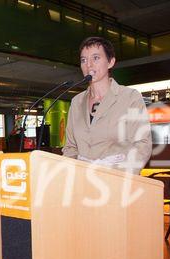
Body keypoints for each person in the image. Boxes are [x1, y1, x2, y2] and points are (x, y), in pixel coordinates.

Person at [62, 36, 152, 174]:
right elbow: (70, 147)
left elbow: (142, 145)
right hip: (82, 183)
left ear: (110, 62)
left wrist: (119, 175)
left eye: (96, 58)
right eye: (83, 60)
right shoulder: (76, 102)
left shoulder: (130, 97)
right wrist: (73, 174)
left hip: (118, 182)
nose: (89, 65)